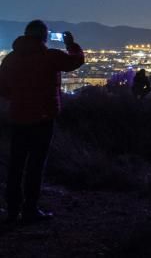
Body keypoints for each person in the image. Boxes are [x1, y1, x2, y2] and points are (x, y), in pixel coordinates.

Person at [0, 20, 85, 223]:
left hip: (18, 117)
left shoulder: (10, 59)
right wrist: (71, 45)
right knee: (36, 165)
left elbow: (1, 88)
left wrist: (18, 98)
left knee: (16, 164)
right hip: (43, 117)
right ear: (44, 37)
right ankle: (30, 209)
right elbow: (75, 61)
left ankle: (12, 209)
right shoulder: (49, 57)